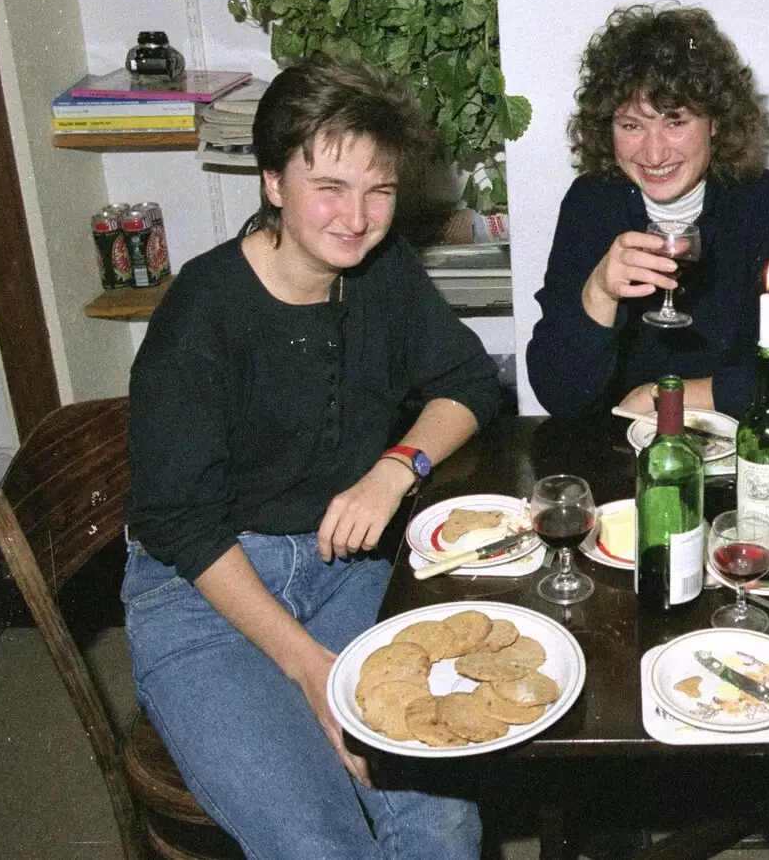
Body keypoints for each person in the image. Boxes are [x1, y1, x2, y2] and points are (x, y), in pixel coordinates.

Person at [124, 56, 502, 859]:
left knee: (441, 818)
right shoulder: (203, 313)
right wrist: (308, 667)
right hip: (204, 589)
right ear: (273, 182)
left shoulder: (382, 271)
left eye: (380, 190)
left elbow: (468, 382)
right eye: (329, 186)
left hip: (345, 570)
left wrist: (396, 465)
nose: (357, 217)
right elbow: (178, 522)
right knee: (318, 841)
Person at [528, 3, 769, 419]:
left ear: (715, 122)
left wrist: (669, 396)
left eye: (675, 122)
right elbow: (560, 396)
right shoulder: (592, 203)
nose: (654, 153)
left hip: (738, 447)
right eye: (631, 126)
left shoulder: (762, 201)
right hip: (626, 457)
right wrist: (599, 292)